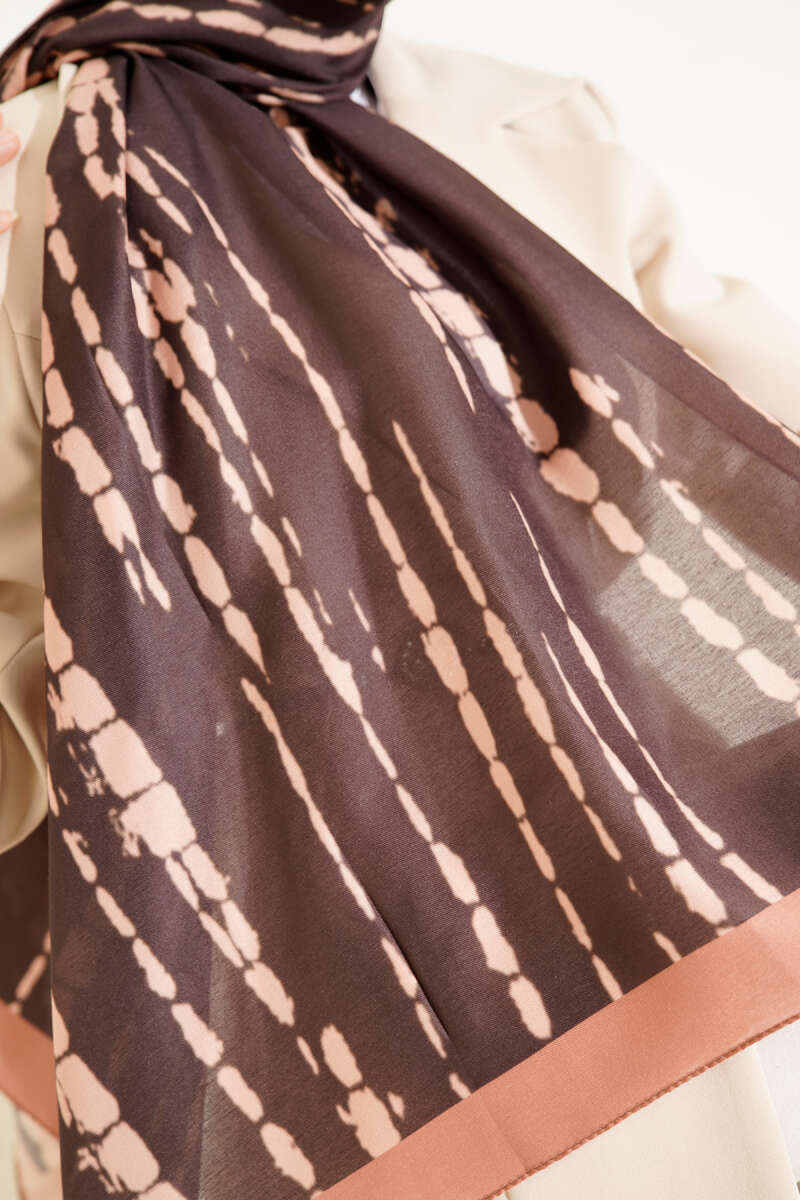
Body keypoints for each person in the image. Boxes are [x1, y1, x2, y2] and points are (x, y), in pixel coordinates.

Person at [0, 19, 798, 1200]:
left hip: (619, 845)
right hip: (263, 927)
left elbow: (727, 448)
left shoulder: (525, 106)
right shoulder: (38, 162)